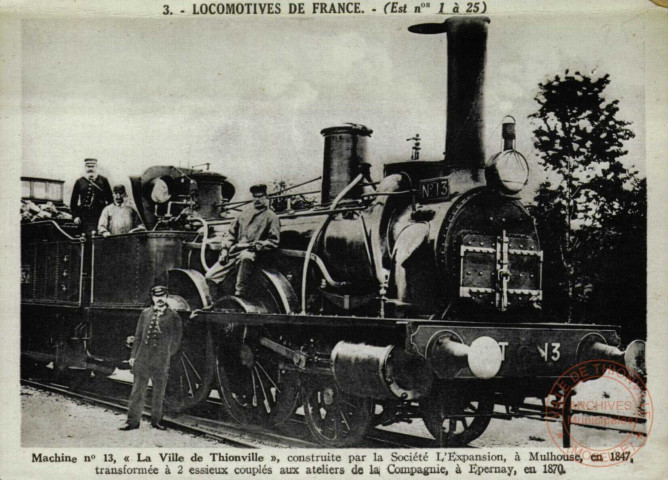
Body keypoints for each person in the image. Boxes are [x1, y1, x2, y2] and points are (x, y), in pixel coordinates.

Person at [119, 286, 182, 431]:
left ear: (167, 297)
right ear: (152, 298)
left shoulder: (173, 316)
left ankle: (156, 421)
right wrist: (133, 356)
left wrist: (168, 353)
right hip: (143, 358)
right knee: (137, 391)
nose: (159, 299)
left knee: (158, 392)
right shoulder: (145, 313)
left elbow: (177, 339)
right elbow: (139, 336)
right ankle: (132, 422)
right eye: (156, 296)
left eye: (162, 296)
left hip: (160, 360)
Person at [205, 183, 279, 298]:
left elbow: (273, 241)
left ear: (266, 197)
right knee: (210, 276)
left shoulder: (272, 217)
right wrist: (225, 250)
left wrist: (257, 245)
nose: (257, 199)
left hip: (253, 252)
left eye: (260, 196)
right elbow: (230, 235)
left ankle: (240, 292)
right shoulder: (243, 215)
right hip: (234, 252)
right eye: (255, 196)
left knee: (246, 256)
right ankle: (212, 304)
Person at [70, 158, 113, 236]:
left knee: (99, 237)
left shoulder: (103, 180)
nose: (90, 169)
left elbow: (110, 199)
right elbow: (73, 202)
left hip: (100, 215)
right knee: (86, 238)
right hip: (84, 217)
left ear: (96, 167)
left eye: (92, 166)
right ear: (85, 167)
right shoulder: (79, 181)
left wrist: (108, 215)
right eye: (88, 166)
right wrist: (75, 216)